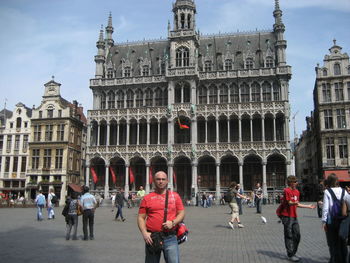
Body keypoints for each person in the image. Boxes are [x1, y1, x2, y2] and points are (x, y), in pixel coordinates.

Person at [138, 171, 185, 263]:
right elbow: (141, 217)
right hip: (152, 238)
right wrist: (144, 233)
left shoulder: (175, 196)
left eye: (163, 179)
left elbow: (182, 213)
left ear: (167, 181)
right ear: (154, 181)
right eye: (158, 179)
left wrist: (173, 222)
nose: (161, 181)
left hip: (170, 237)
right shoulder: (147, 198)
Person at [277, 176, 315, 262]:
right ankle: (290, 254)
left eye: (296, 182)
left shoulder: (297, 192)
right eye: (295, 182)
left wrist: (308, 206)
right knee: (289, 235)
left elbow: (296, 204)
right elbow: (289, 202)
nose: (296, 183)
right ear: (290, 183)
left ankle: (293, 252)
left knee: (297, 235)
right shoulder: (286, 191)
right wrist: (295, 202)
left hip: (294, 216)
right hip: (286, 216)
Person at [322, 174, 348, 263]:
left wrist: (324, 222)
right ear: (337, 181)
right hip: (343, 221)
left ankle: (335, 260)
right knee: (343, 242)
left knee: (333, 242)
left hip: (332, 221)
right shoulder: (344, 191)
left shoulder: (327, 191)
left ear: (328, 182)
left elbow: (325, 208)